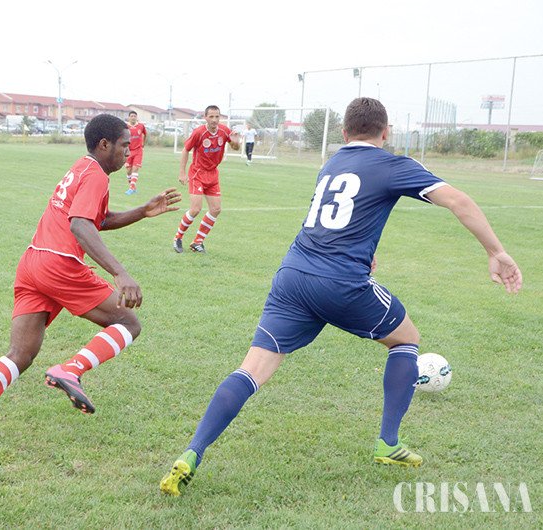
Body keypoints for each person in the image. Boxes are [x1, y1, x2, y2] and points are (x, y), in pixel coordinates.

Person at [160, 97, 522, 496]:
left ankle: (192, 452)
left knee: (252, 369)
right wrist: (496, 252)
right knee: (406, 339)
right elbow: (459, 201)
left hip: (293, 276)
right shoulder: (392, 164)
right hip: (339, 282)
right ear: (386, 132)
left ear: (344, 133)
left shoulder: (331, 163)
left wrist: (366, 252)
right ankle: (388, 443)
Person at [0, 114, 181, 446]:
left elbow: (97, 219)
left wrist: (141, 211)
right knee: (128, 322)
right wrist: (120, 273)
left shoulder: (83, 167)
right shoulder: (96, 176)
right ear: (105, 144)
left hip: (33, 262)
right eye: (125, 145)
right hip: (59, 265)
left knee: (21, 352)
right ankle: (70, 370)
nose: (129, 152)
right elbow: (80, 225)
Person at [173, 105, 240, 254]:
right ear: (205, 117)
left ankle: (197, 242)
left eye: (217, 116)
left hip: (213, 174)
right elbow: (186, 150)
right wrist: (182, 173)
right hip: (197, 173)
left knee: (216, 209)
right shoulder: (199, 132)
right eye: (211, 117)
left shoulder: (224, 131)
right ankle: (178, 237)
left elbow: (235, 147)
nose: (214, 120)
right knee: (195, 209)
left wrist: (236, 142)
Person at [125, 110, 147, 194]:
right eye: (132, 116)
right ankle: (132, 187)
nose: (133, 118)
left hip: (138, 150)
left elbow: (145, 134)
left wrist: (143, 143)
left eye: (134, 116)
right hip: (128, 151)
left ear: (136, 117)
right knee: (128, 171)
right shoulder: (126, 127)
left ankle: (131, 188)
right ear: (129, 117)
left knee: (135, 168)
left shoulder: (141, 126)